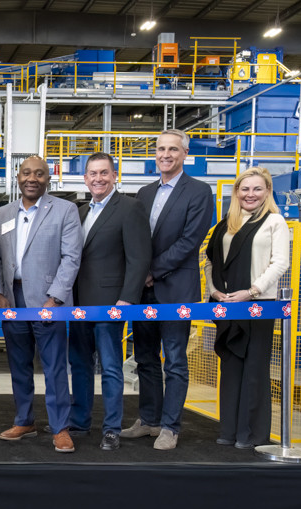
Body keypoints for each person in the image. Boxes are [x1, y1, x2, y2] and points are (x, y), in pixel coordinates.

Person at [123, 129, 214, 450]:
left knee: (174, 361)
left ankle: (170, 427)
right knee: (145, 359)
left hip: (175, 290)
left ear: (184, 154)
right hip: (143, 292)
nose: (165, 155)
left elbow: (190, 242)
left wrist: (152, 272)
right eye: (161, 149)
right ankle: (149, 420)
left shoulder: (200, 192)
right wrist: (138, 276)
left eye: (172, 149)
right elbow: (136, 240)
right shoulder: (144, 193)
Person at [0, 155, 82, 452]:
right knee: (18, 366)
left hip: (47, 301)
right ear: (18, 177)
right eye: (26, 173)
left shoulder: (65, 211)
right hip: (12, 301)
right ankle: (24, 420)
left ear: (47, 179)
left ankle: (60, 428)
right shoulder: (3, 214)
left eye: (39, 174)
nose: (32, 178)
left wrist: (56, 298)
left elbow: (71, 257)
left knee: (54, 367)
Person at [68, 153, 151, 451]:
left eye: (104, 173)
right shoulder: (77, 212)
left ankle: (112, 429)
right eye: (92, 173)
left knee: (111, 368)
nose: (98, 178)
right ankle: (79, 422)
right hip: (77, 304)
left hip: (110, 303)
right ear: (85, 178)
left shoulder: (130, 208)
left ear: (114, 176)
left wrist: (128, 298)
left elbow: (139, 257)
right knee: (78, 364)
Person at [205, 167, 290, 449]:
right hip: (228, 305)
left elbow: (280, 263)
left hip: (259, 306)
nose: (250, 194)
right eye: (244, 189)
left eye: (256, 189)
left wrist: (251, 291)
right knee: (230, 370)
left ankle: (251, 434)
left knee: (254, 370)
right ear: (236, 193)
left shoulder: (274, 222)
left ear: (267, 191)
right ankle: (229, 430)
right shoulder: (226, 224)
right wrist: (214, 291)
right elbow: (210, 262)